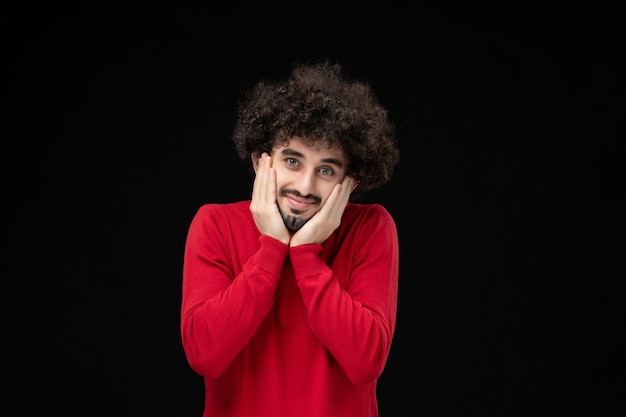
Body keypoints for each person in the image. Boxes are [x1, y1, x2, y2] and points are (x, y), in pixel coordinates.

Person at [180, 60, 400, 417]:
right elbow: (204, 355)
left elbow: (365, 362)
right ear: (260, 161)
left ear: (351, 181)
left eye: (326, 170)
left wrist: (306, 256)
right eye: (293, 161)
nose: (305, 187)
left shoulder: (371, 228)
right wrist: (272, 250)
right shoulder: (215, 224)